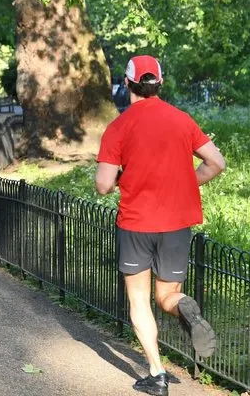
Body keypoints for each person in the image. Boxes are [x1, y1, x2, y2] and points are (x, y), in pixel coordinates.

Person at [95, 55, 225, 396]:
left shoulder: (118, 127)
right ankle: (183, 305)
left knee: (139, 301)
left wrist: (122, 175)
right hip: (176, 223)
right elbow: (216, 163)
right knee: (167, 295)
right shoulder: (182, 120)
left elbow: (103, 184)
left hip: (137, 224)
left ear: (127, 84)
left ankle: (157, 374)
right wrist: (185, 183)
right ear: (160, 84)